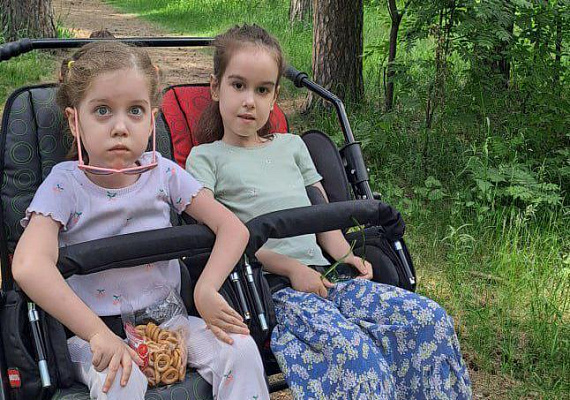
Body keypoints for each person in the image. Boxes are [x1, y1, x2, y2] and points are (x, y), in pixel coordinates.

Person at [186, 24, 473, 400]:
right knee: (357, 359)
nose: (249, 101)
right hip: (268, 288)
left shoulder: (292, 146)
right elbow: (222, 235)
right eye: (238, 85)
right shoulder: (205, 158)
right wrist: (292, 269)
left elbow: (321, 216)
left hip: (327, 277)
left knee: (429, 320)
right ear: (215, 87)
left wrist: (346, 255)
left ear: (275, 97)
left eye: (262, 90)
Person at [12, 41, 270, 400]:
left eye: (135, 111)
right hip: (95, 333)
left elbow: (233, 228)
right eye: (102, 111)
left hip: (169, 324)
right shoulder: (64, 185)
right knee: (120, 378)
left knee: (239, 350)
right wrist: (96, 333)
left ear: (151, 119)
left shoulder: (164, 173)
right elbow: (28, 265)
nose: (120, 127)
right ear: (74, 121)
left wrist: (206, 288)